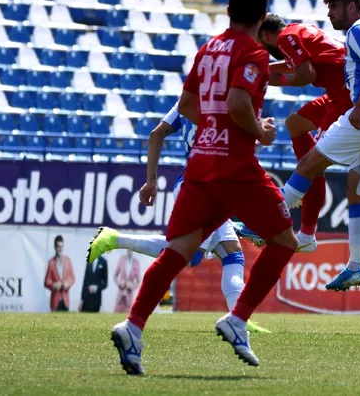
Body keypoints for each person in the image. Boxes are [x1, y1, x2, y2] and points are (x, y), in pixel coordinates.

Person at [110, 0, 298, 374]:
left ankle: (133, 327)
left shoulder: (208, 47)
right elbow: (237, 102)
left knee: (178, 251)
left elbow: (187, 106)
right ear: (263, 16)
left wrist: (214, 126)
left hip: (200, 166)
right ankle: (237, 317)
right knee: (284, 241)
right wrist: (258, 132)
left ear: (228, 10)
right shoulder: (254, 53)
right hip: (235, 167)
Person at [87, 98, 269, 333]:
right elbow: (238, 152)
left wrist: (150, 182)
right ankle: (114, 239)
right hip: (203, 185)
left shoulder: (189, 100)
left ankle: (239, 319)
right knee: (189, 255)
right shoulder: (232, 104)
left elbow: (156, 134)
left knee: (232, 253)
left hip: (194, 181)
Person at [277, 0, 360, 292]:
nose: (328, 13)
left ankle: (267, 223)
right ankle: (356, 267)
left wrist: (359, 107)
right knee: (356, 189)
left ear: (349, 6)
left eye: (332, 7)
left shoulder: (358, 30)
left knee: (308, 164)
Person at [255, 14, 354, 252]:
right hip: (337, 93)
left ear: (267, 35)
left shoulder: (285, 38)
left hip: (347, 96)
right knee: (295, 123)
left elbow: (306, 74)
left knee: (311, 164)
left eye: (261, 43)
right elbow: (289, 69)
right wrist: (260, 72)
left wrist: (272, 76)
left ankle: (303, 226)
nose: (263, 48)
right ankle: (304, 190)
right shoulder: (299, 30)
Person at [44, 235, 75, 312]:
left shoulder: (68, 260)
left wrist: (68, 283)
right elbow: (46, 282)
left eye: (61, 247)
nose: (60, 249)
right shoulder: (51, 262)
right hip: (55, 300)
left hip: (65, 300)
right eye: (58, 247)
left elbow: (73, 278)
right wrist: (54, 285)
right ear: (55, 247)